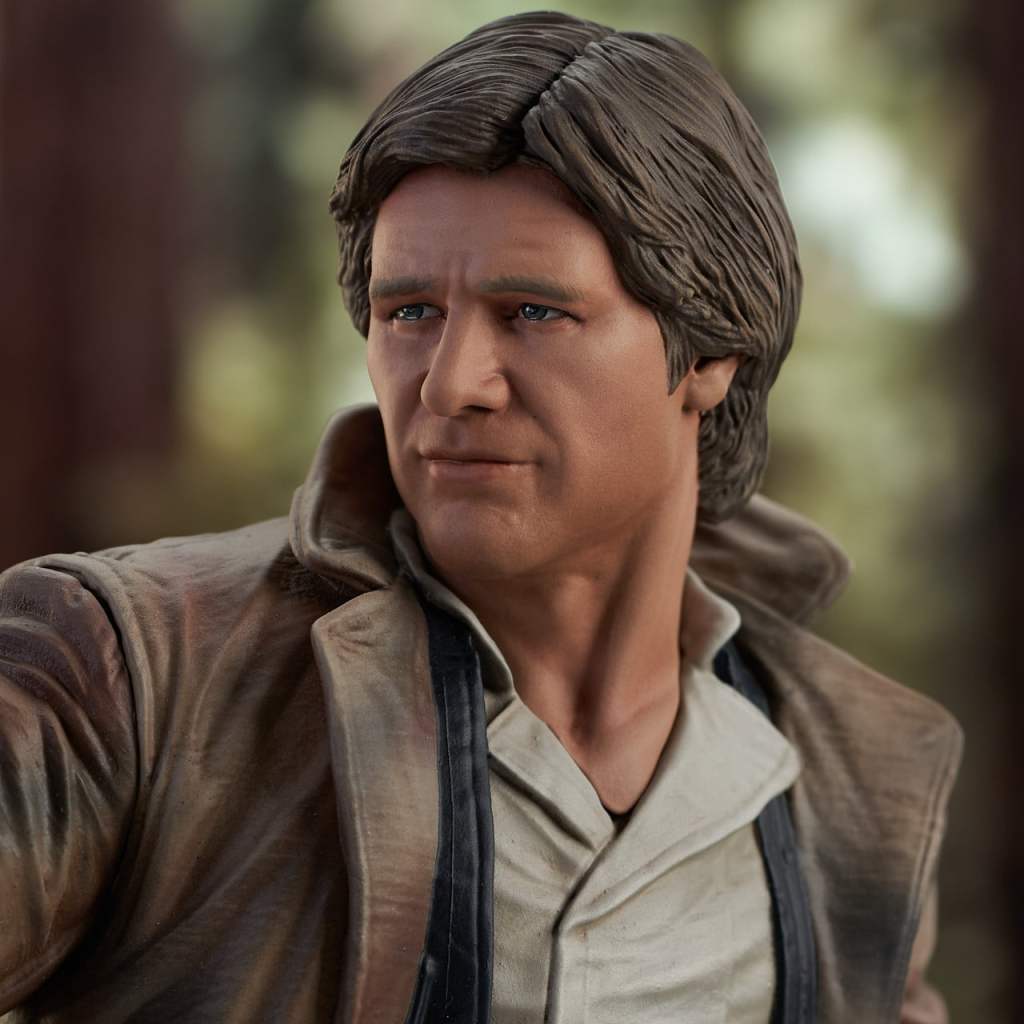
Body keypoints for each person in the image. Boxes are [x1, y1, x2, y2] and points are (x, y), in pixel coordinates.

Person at [0, 11, 961, 1024]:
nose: (451, 383)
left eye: (534, 312)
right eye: (410, 312)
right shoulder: (132, 676)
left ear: (713, 351)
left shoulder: (861, 779)